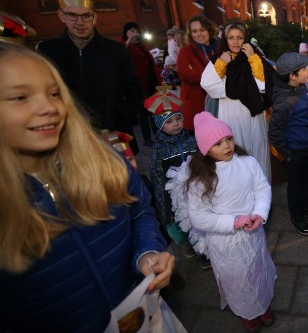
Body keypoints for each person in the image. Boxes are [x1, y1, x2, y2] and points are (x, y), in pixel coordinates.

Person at [0, 42, 174, 332]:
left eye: (54, 93)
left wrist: (147, 252)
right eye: (20, 97)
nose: (48, 107)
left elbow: (140, 210)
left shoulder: (102, 161)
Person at [187, 112, 276, 333]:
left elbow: (262, 189)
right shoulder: (201, 180)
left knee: (257, 268)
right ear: (206, 149)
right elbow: (199, 216)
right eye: (218, 143)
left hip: (253, 233)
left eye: (228, 139)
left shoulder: (248, 162)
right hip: (225, 242)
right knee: (236, 277)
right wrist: (234, 221)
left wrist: (259, 212)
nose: (226, 146)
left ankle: (262, 304)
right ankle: (246, 311)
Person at [37, 0, 142, 152]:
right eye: (72, 15)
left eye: (86, 15)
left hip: (113, 132)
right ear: (61, 15)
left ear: (95, 17)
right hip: (70, 137)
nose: (80, 22)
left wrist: (128, 118)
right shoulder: (48, 51)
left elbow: (133, 87)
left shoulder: (115, 50)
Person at [201, 22, 275, 182]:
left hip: (253, 117)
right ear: (225, 40)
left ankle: (260, 196)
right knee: (235, 154)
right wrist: (221, 63)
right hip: (228, 114)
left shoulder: (255, 57)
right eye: (231, 38)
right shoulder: (218, 59)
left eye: (240, 38)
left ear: (246, 39)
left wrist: (253, 59)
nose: (235, 42)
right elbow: (209, 86)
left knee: (256, 153)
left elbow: (265, 87)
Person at [269, 52, 308, 235]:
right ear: (292, 76)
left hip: (306, 145)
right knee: (295, 185)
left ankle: (307, 207)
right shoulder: (283, 102)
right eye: (303, 69)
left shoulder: (300, 88)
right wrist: (287, 153)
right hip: (294, 151)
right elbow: (274, 132)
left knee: (305, 180)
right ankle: (297, 216)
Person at [145, 86, 199, 259]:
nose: (176, 124)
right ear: (160, 125)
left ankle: (203, 248)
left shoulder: (191, 140)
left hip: (194, 189)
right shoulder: (158, 150)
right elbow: (158, 178)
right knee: (178, 226)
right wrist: (163, 207)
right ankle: (186, 244)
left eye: (178, 119)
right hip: (174, 197)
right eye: (169, 121)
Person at [122, 21, 161, 146]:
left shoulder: (141, 45)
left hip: (150, 83)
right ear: (126, 33)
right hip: (139, 85)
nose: (134, 33)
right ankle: (147, 139)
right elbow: (122, 57)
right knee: (144, 114)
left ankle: (158, 134)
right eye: (131, 31)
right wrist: (127, 43)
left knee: (154, 111)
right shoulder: (124, 45)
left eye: (136, 30)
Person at [177, 14, 218, 132]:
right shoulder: (185, 51)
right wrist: (214, 73)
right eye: (194, 31)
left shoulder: (218, 48)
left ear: (209, 30)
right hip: (195, 103)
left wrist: (197, 72)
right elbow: (185, 74)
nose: (198, 34)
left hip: (217, 102)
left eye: (202, 30)